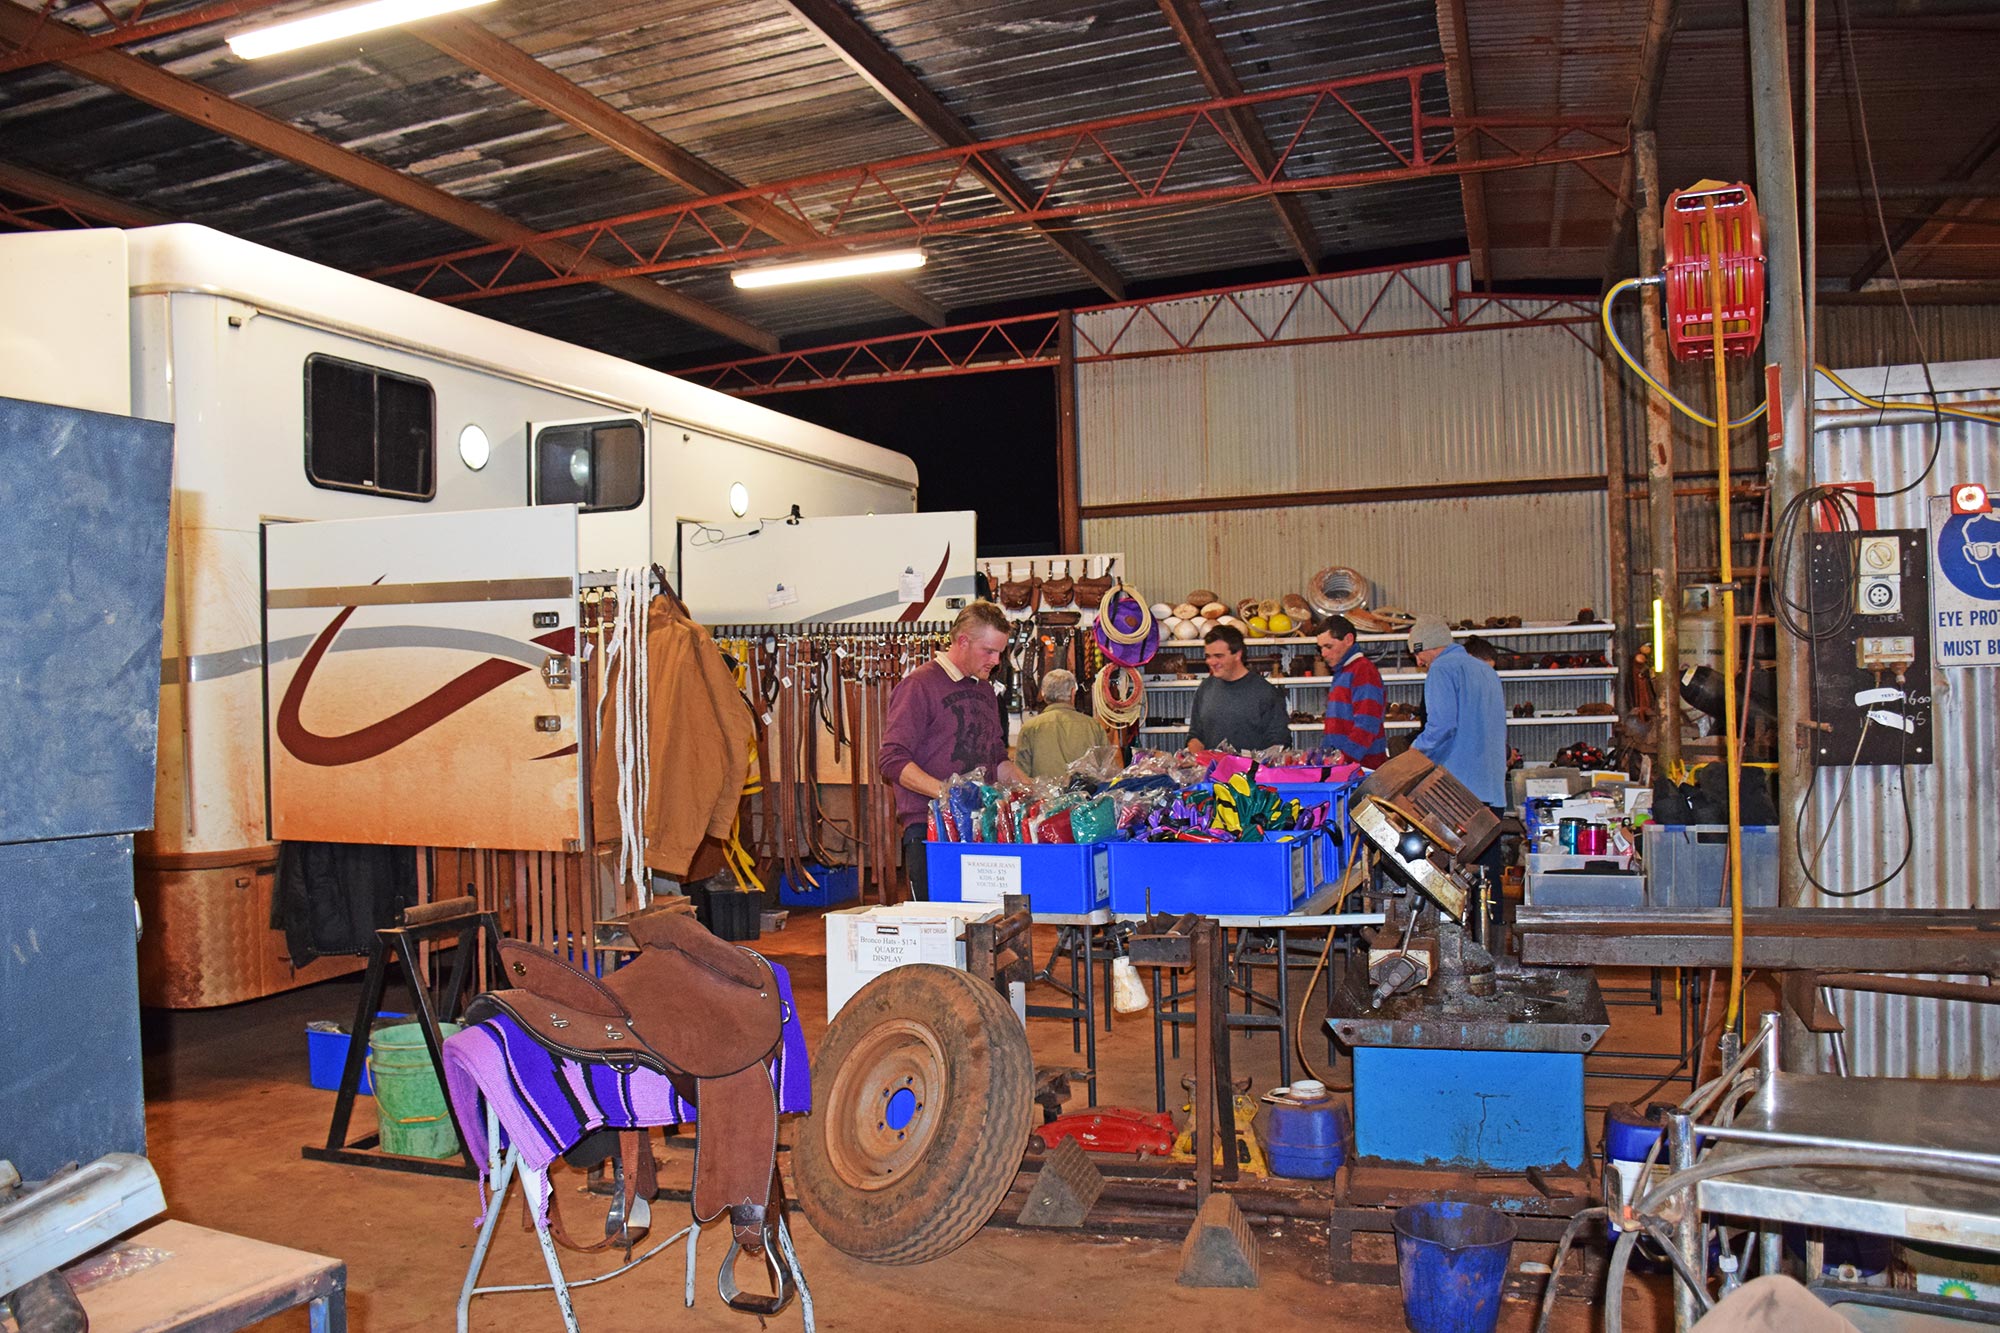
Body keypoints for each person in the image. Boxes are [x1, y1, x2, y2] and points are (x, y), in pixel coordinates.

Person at [877, 601, 1025, 899]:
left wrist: (1032, 788)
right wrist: (948, 793)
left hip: (981, 827)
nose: (996, 660)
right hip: (931, 830)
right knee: (938, 929)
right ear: (963, 641)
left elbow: (995, 757)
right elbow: (891, 759)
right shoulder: (918, 686)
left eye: (1000, 652)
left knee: (982, 922)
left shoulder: (984, 689)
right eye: (989, 651)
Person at [1408, 614, 1506, 804]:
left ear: (1426, 645)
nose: (1419, 662)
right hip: (1492, 789)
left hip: (1458, 793)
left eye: (1417, 654)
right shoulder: (1487, 671)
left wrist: (1416, 750)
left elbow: (1442, 726)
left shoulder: (1440, 669)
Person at [1185, 624, 1290, 753]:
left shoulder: (1266, 692)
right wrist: (1196, 757)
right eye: (1208, 656)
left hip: (1250, 772)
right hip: (1210, 772)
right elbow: (1195, 735)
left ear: (1238, 654)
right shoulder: (1205, 688)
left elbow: (1279, 743)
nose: (1211, 662)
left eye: (1219, 656)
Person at [1315, 615, 1387, 769]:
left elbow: (1367, 724)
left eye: (1328, 646)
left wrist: (1343, 762)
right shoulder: (1342, 672)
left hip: (1361, 770)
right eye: (1320, 648)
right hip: (1348, 768)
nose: (1323, 654)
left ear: (1348, 639)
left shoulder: (1363, 671)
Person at [1014, 669, 1107, 779]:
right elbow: (1106, 770)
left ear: (1043, 694)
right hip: (1084, 795)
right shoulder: (1093, 726)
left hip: (1043, 795)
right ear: (1073, 692)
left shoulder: (1030, 728)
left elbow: (1021, 776)